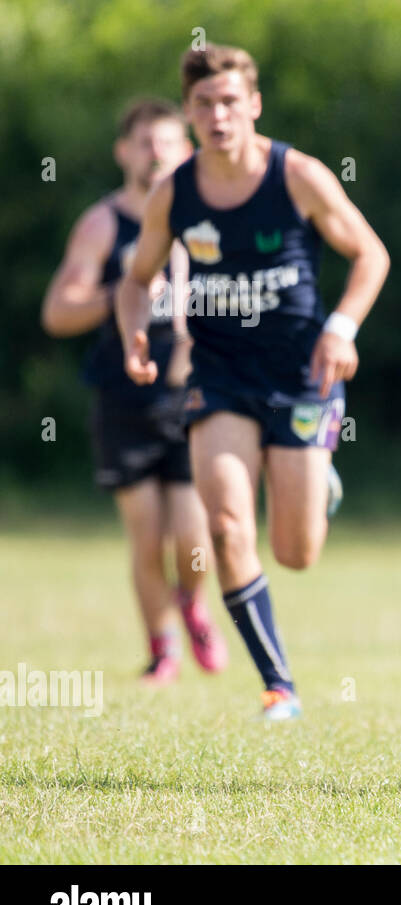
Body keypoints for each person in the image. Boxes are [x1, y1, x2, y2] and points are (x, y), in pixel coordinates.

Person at [116, 45, 390, 719]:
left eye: (230, 101)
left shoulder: (297, 175)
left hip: (302, 376)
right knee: (230, 526)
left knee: (295, 553)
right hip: (221, 378)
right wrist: (134, 332)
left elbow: (370, 255)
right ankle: (279, 685)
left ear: (254, 105)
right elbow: (135, 279)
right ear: (189, 112)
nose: (218, 115)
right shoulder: (174, 192)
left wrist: (342, 328)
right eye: (204, 104)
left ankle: (316, 479)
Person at [42, 97, 226, 685]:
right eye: (146, 142)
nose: (157, 153)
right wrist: (125, 293)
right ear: (124, 151)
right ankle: (161, 649)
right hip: (125, 398)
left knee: (194, 535)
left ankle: (193, 604)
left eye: (169, 142)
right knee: (147, 537)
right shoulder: (103, 224)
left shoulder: (207, 219)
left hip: (194, 394)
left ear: (187, 150)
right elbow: (57, 312)